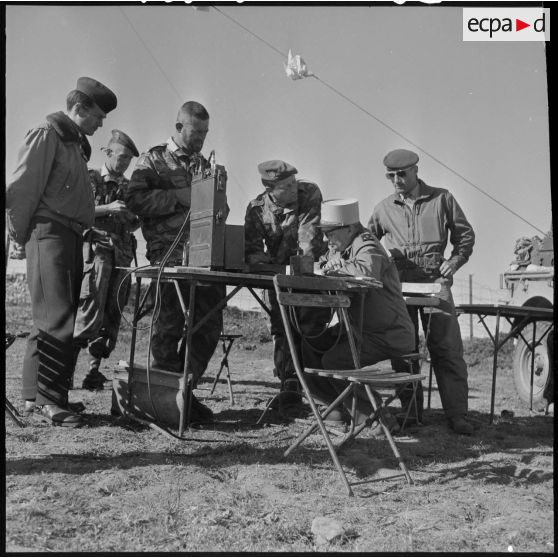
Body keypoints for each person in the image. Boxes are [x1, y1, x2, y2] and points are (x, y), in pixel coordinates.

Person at [6, 77, 117, 427]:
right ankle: (51, 402)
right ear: (79, 109)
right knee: (55, 317)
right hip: (47, 234)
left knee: (54, 318)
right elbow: (22, 189)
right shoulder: (47, 133)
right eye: (98, 115)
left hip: (69, 235)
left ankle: (32, 399)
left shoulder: (73, 143)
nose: (101, 123)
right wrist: (18, 237)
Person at [125, 101, 223, 423]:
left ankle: (184, 393)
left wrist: (218, 199)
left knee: (208, 325)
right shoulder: (153, 160)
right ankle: (163, 400)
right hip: (168, 257)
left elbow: (218, 211)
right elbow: (134, 199)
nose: (201, 140)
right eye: (196, 133)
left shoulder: (203, 165)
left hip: (203, 258)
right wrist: (177, 198)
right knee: (168, 327)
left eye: (205, 134)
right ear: (179, 127)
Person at [368, 148, 477, 435]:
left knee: (447, 349)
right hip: (398, 288)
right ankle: (411, 413)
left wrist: (453, 262)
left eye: (402, 174)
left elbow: (465, 236)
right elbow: (367, 242)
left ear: (416, 171)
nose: (396, 180)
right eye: (391, 176)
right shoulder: (382, 209)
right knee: (404, 351)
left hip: (434, 286)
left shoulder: (442, 199)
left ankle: (457, 415)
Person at [301, 198, 416, 428]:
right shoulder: (346, 247)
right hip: (364, 330)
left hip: (387, 333)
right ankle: (337, 406)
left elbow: (366, 271)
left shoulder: (366, 243)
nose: (326, 239)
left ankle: (374, 419)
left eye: (330, 233)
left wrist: (334, 267)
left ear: (350, 228)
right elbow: (325, 263)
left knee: (336, 359)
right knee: (312, 343)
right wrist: (329, 265)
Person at [244, 160, 327, 409]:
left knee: (312, 328)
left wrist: (296, 272)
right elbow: (252, 252)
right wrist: (273, 270)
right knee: (282, 330)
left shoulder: (309, 192)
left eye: (293, 182)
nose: (294, 188)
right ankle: (289, 385)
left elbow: (308, 240)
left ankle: (317, 388)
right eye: (286, 186)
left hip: (310, 274)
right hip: (278, 278)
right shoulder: (257, 209)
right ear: (270, 188)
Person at [73, 130, 140, 390]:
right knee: (90, 307)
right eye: (121, 157)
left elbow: (135, 222)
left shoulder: (128, 186)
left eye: (128, 160)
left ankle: (93, 371)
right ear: (108, 152)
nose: (123, 163)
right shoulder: (89, 177)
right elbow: (77, 211)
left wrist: (130, 218)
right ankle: (66, 373)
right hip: (96, 252)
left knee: (113, 312)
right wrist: (107, 209)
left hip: (121, 254)